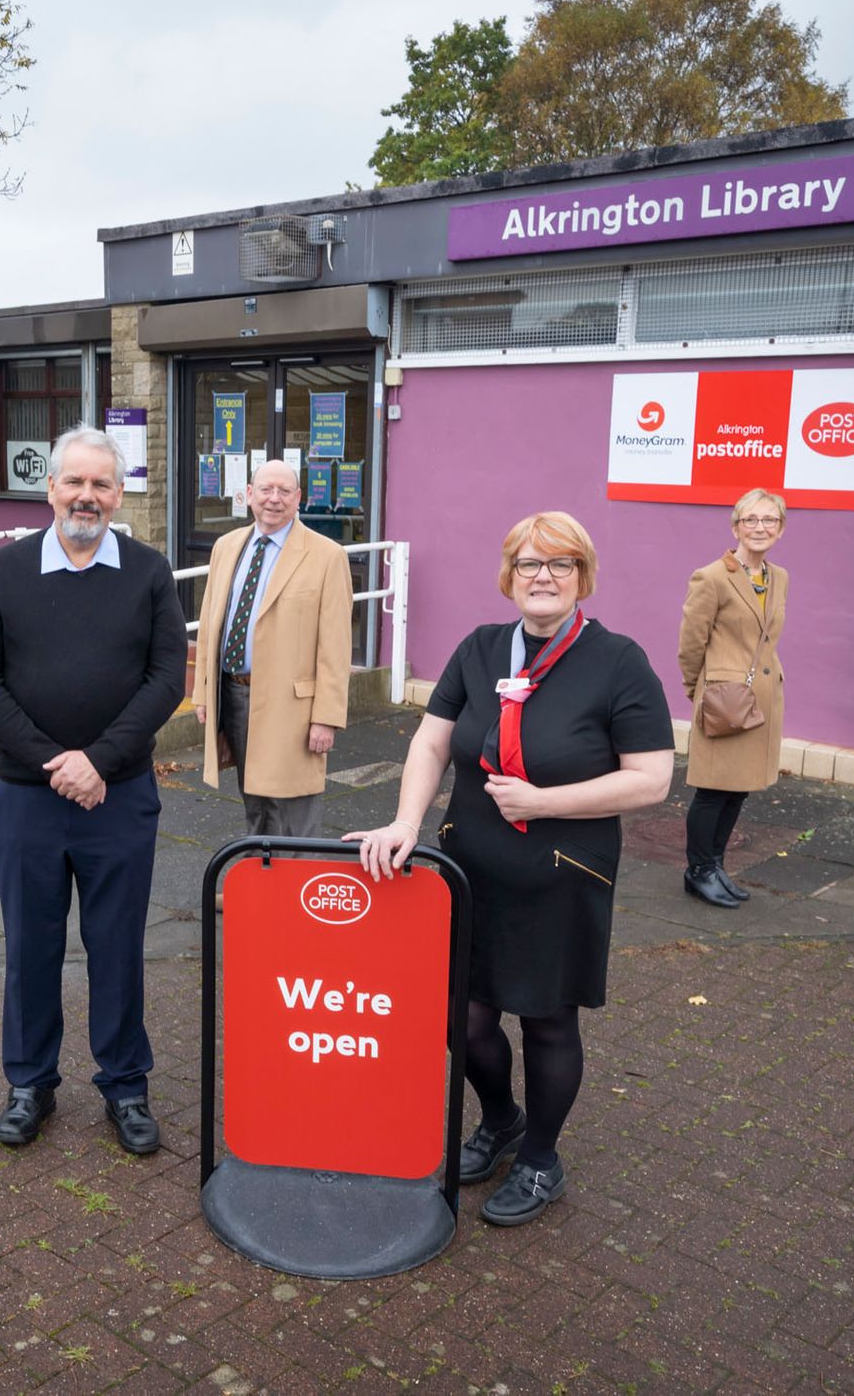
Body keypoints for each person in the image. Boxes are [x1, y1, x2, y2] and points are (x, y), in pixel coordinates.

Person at [347, 513, 673, 1225]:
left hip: (560, 874)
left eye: (560, 564)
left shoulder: (619, 661)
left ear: (583, 576)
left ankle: (540, 1160)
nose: (542, 576)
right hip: (471, 869)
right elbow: (431, 744)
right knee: (462, 1016)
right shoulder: (480, 648)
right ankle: (501, 1121)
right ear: (509, 575)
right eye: (528, 563)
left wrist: (544, 799)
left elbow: (651, 779)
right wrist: (406, 820)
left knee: (547, 1023)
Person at [0, 426, 187, 1156]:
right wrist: (57, 760)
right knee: (31, 944)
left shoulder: (149, 573)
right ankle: (30, 1082)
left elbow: (166, 681)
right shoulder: (3, 573)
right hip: (28, 798)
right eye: (74, 482)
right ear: (50, 488)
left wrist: (100, 761)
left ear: (119, 495)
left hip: (119, 799)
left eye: (102, 484)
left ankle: (125, 1084)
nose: (87, 496)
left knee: (117, 944)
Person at [192, 458, 353, 837]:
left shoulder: (327, 556)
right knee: (255, 803)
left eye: (284, 491)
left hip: (292, 706)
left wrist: (326, 717)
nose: (274, 499)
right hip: (234, 694)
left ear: (298, 499)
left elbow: (336, 646)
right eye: (266, 489)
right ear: (249, 495)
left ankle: (294, 890)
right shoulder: (227, 547)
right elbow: (210, 622)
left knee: (293, 812)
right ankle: (259, 884)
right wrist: (203, 692)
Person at [677, 489, 790, 909]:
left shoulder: (779, 577)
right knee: (712, 790)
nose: (760, 528)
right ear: (735, 526)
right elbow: (691, 643)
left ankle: (715, 864)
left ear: (780, 528)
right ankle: (699, 870)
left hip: (761, 702)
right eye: (751, 520)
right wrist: (698, 692)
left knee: (738, 789)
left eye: (769, 520)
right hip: (724, 701)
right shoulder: (711, 577)